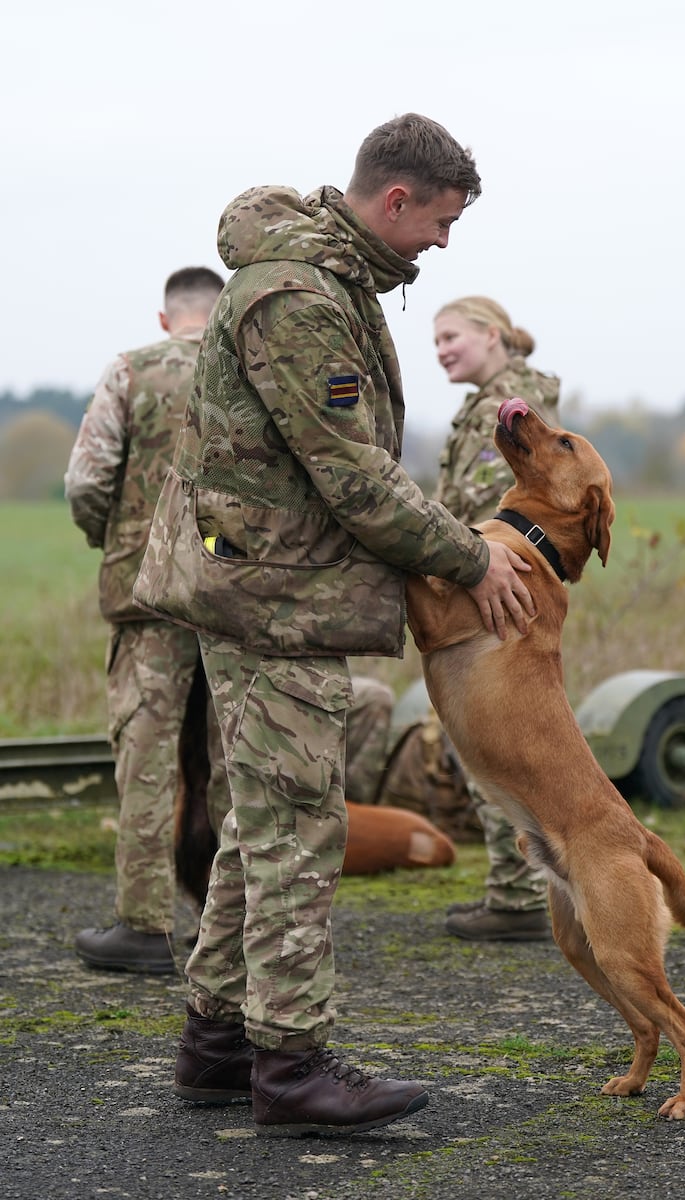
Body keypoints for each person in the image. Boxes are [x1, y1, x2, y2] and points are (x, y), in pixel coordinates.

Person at [133, 112, 535, 1138]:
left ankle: (219, 1040)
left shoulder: (328, 279)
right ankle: (292, 1062)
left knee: (259, 821)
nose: (441, 244)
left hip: (271, 587)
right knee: (296, 828)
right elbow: (350, 474)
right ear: (392, 200)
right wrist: (468, 553)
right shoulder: (299, 297)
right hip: (274, 600)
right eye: (437, 222)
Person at [64, 267, 231, 975]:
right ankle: (234, 926)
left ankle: (145, 926)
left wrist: (119, 540)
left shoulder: (131, 371)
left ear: (167, 319)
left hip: (147, 594)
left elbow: (86, 481)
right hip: (233, 594)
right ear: (221, 315)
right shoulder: (246, 372)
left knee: (148, 754)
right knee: (232, 761)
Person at [432, 295, 560, 942]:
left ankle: (516, 896)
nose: (441, 349)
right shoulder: (503, 402)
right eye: (436, 341)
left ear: (490, 335)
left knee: (493, 748)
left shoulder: (507, 412)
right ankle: (525, 888)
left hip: (494, 595)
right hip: (500, 591)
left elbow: (489, 512)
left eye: (452, 336)